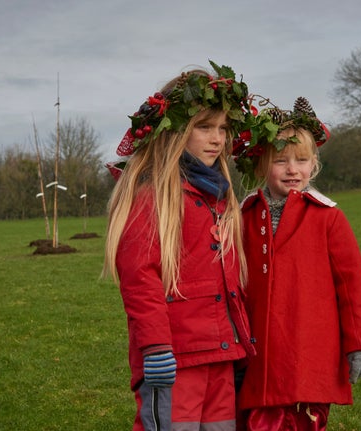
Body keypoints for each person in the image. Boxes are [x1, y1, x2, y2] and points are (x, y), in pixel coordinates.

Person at [103, 61, 257, 431]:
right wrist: (155, 347)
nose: (217, 139)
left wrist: (240, 339)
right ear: (175, 132)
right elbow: (140, 277)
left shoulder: (219, 196)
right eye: (204, 127)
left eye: (222, 128)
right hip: (175, 362)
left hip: (221, 356)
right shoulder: (153, 196)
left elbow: (230, 279)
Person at [231, 97, 361, 431]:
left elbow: (352, 284)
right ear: (261, 165)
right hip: (256, 358)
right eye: (281, 161)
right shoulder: (242, 218)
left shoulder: (328, 218)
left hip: (308, 354)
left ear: (313, 163)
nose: (292, 169)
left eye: (301, 160)